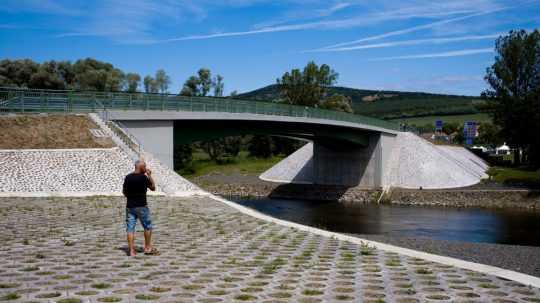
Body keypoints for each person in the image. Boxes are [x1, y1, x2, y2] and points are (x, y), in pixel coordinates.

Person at [122, 159, 158, 256]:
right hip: (142, 206)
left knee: (130, 229)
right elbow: (153, 188)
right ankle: (147, 248)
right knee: (147, 227)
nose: (145, 168)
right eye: (144, 167)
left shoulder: (128, 177)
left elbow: (124, 192)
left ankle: (131, 251)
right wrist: (149, 175)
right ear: (141, 167)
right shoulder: (143, 178)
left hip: (130, 206)